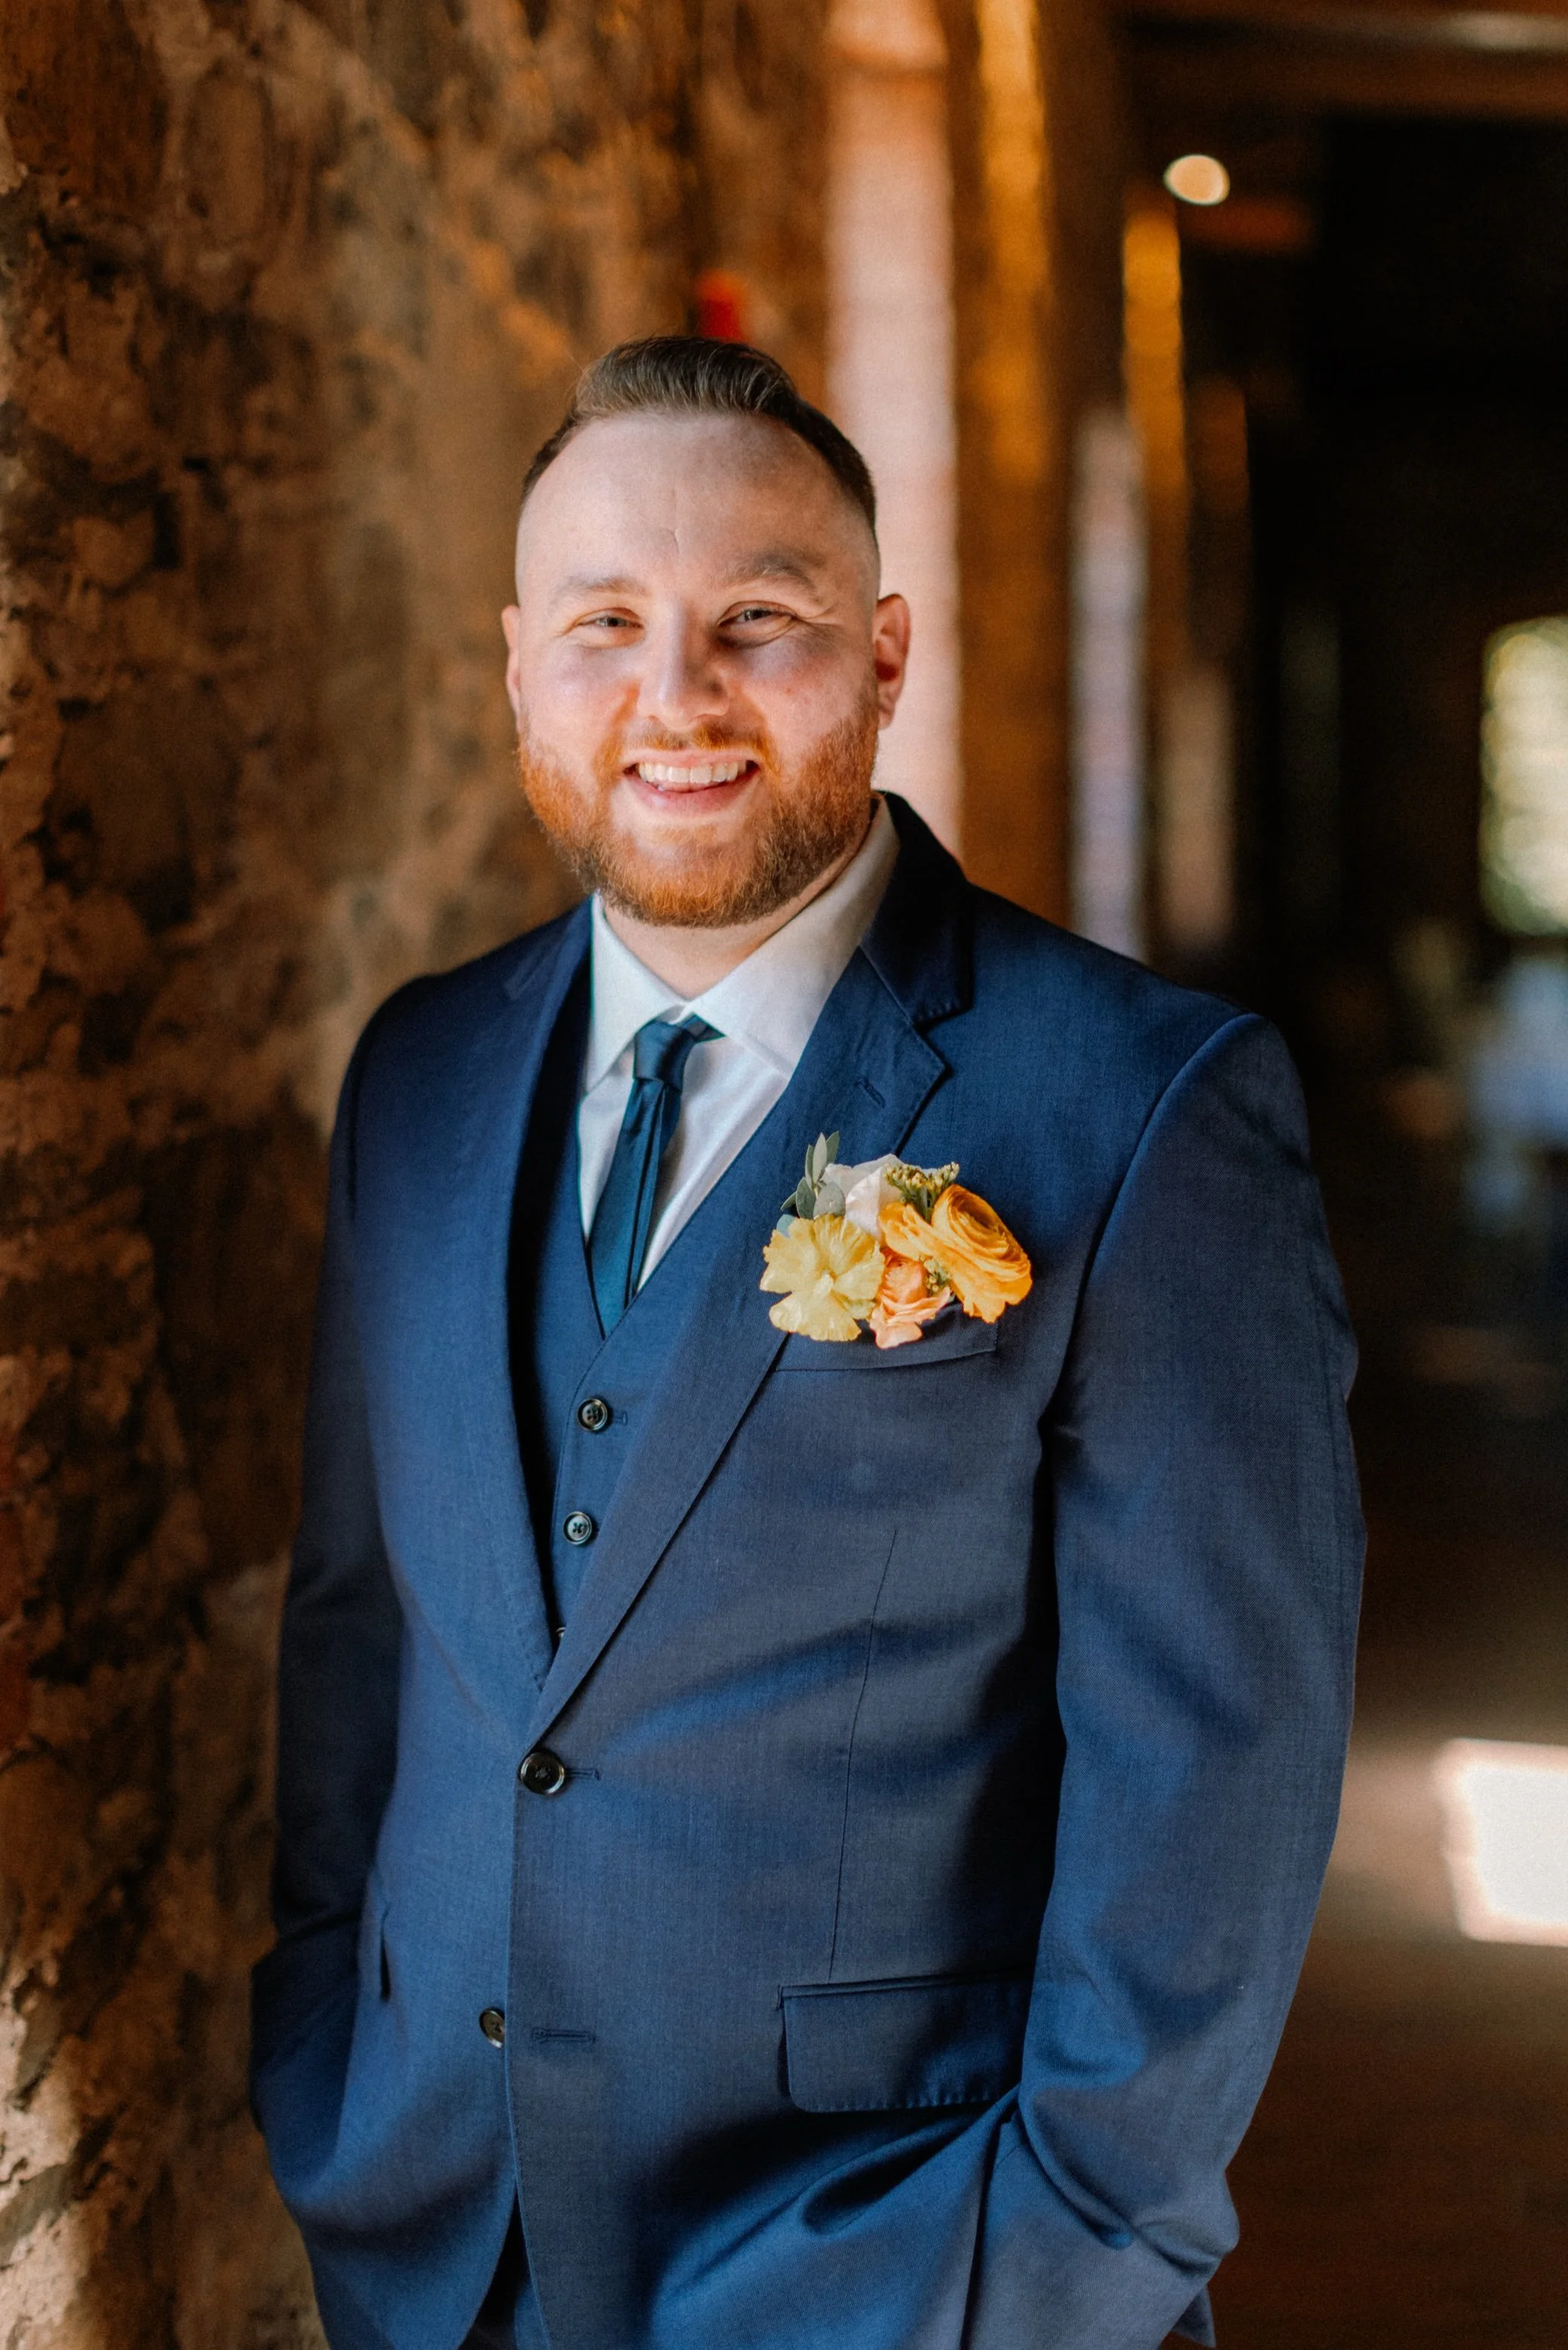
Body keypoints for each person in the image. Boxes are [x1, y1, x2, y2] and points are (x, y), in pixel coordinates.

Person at [251, 337, 1362, 2350]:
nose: (676, 696)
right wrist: (328, 2049)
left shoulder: (1146, 1105)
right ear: (518, 667)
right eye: (605, 624)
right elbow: (359, 1630)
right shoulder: (418, 1077)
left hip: (913, 2269)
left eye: (757, 620)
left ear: (884, 653)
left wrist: (1064, 2259)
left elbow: (1217, 1767)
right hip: (435, 2246)